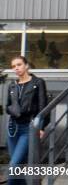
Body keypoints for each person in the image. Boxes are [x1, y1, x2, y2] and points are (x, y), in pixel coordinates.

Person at [6, 56, 48, 185]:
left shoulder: (38, 83)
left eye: (19, 64)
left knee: (13, 167)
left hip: (28, 128)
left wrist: (41, 127)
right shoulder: (12, 85)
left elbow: (43, 107)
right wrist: (15, 111)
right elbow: (7, 106)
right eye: (13, 66)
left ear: (26, 65)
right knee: (16, 168)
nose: (16, 68)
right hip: (12, 129)